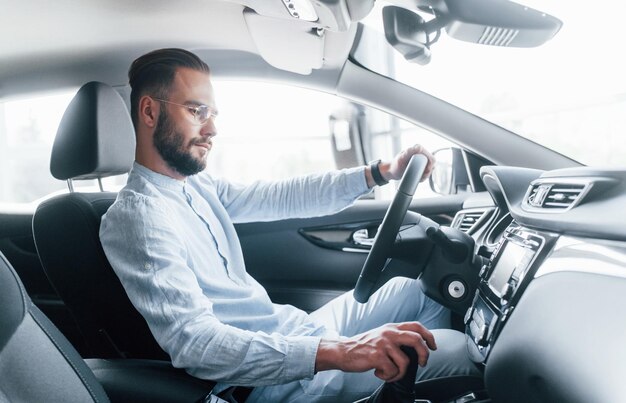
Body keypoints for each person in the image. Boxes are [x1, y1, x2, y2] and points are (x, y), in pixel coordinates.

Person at [100, 48, 480, 403]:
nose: (212, 128)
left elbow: (283, 196)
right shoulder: (140, 218)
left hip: (297, 332)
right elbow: (197, 344)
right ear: (149, 113)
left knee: (415, 291)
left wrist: (380, 173)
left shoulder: (194, 185)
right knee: (459, 351)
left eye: (213, 113)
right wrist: (342, 352)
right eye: (197, 111)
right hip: (267, 381)